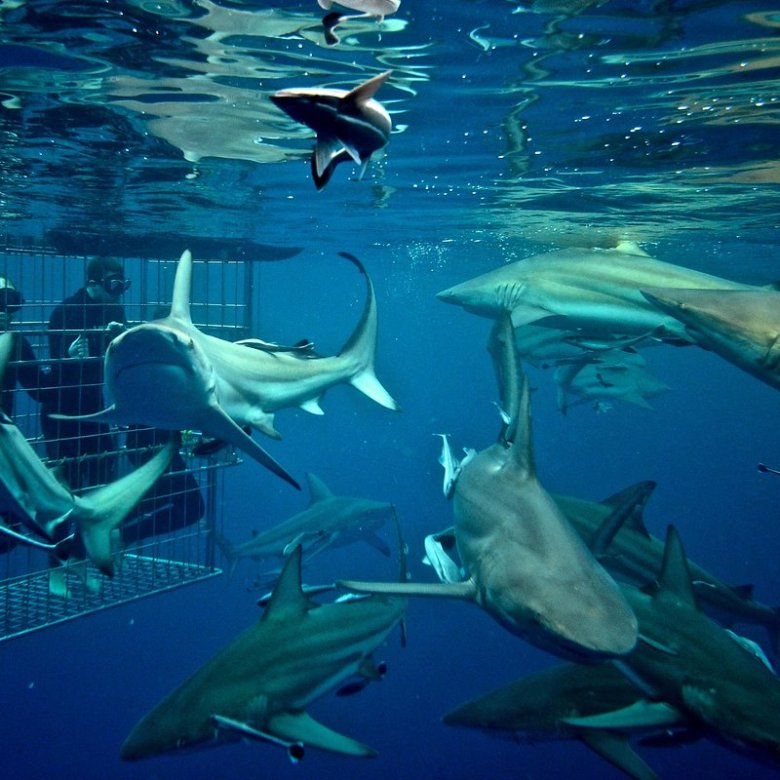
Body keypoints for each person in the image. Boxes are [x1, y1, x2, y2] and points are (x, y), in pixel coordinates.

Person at [40, 257, 130, 490]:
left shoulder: (116, 311)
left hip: (93, 405)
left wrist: (121, 340)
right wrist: (68, 356)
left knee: (104, 476)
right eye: (114, 284)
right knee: (68, 486)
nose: (119, 291)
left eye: (123, 284)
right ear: (95, 283)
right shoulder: (66, 311)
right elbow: (55, 367)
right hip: (62, 411)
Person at [0, 275, 52, 553]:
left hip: (4, 448)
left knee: (8, 538)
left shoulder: (16, 342)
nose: (3, 312)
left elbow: (41, 390)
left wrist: (68, 359)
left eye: (10, 305)